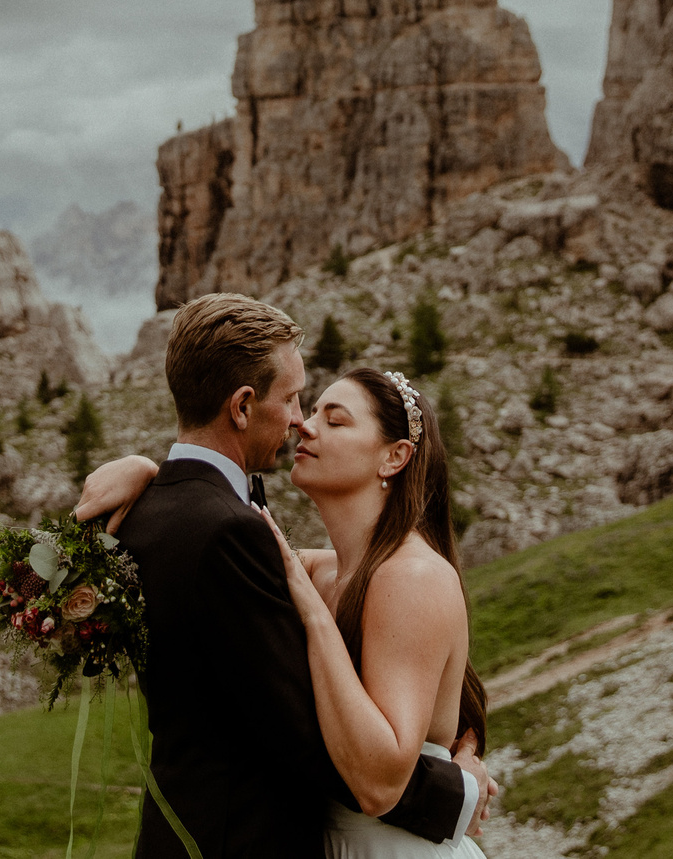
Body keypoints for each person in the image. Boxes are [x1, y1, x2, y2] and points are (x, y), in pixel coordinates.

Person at [76, 294, 496, 856]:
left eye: (331, 417)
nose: (303, 424)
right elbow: (305, 731)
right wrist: (459, 790)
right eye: (301, 402)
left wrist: (150, 471)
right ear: (243, 406)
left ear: (393, 457)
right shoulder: (269, 551)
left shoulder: (396, 574)